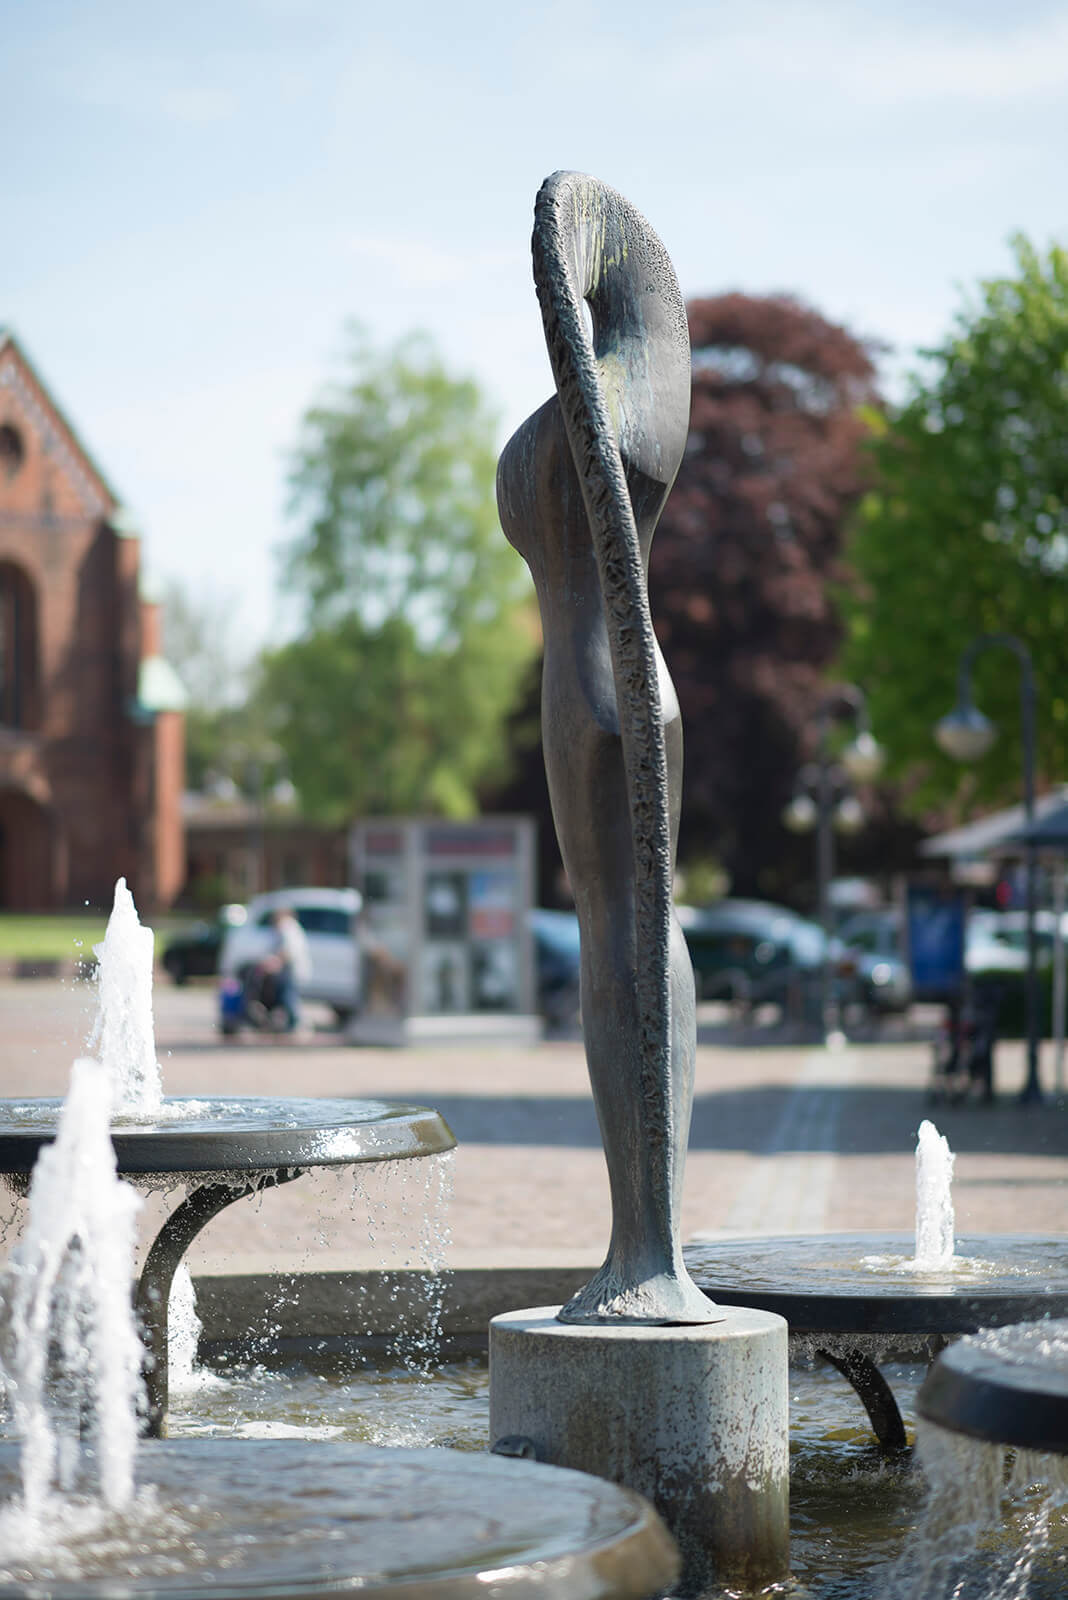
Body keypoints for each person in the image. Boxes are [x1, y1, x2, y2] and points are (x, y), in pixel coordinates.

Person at [496, 172, 716, 1325]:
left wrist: (558, 283)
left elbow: (561, 238)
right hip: (596, 687)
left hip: (615, 689)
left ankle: (651, 1246)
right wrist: (557, 288)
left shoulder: (628, 416)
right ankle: (638, 1239)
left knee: (629, 924)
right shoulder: (612, 404)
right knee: (620, 925)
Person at [267, 906, 311, 1033]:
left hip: (292, 970)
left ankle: (296, 1023)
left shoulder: (287, 927)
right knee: (290, 997)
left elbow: (288, 950)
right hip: (290, 970)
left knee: (289, 997)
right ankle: (293, 1023)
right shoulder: (291, 927)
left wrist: (276, 962)